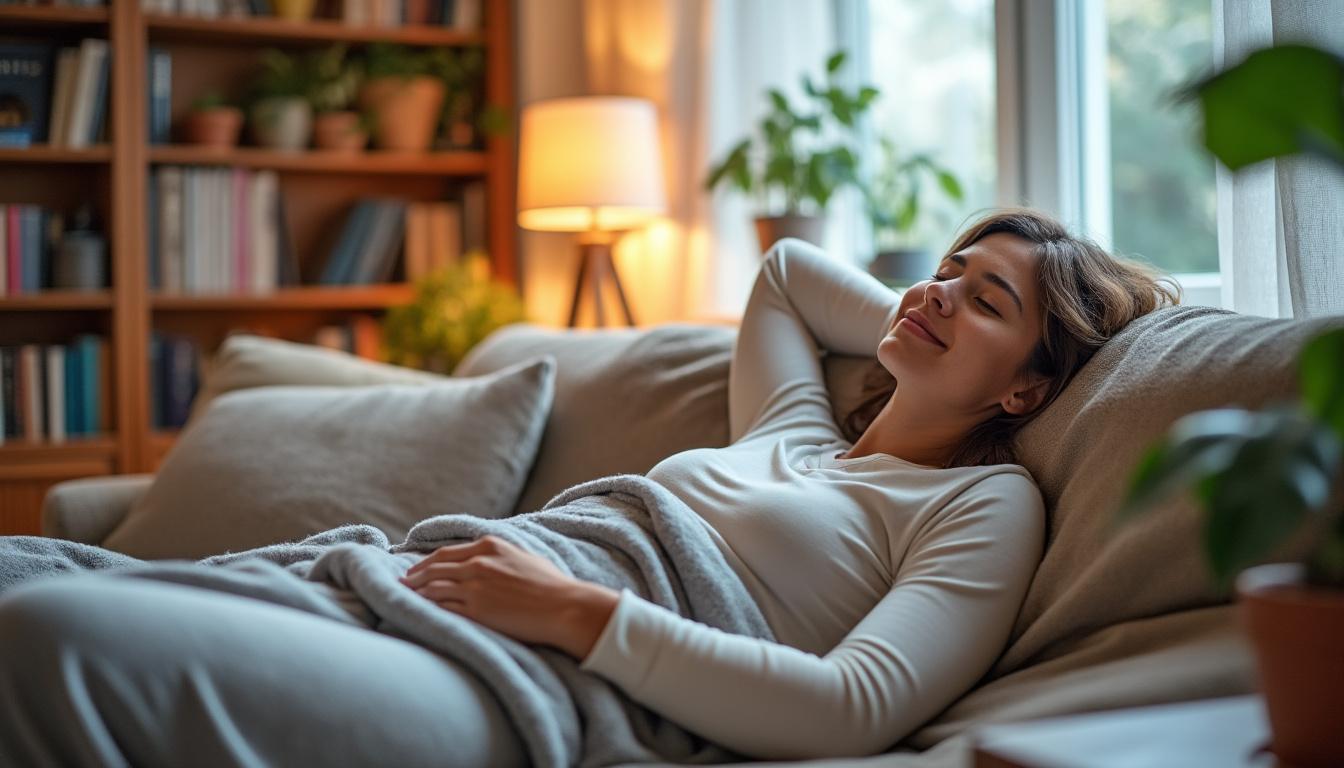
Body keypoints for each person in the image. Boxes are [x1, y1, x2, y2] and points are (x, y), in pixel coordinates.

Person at [0, 208, 1177, 766]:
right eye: (945, 269)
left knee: (53, 638)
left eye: (987, 298)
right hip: (419, 586)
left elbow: (854, 704)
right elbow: (782, 275)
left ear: (1029, 386)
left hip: (538, 677)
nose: (937, 290)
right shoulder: (796, 433)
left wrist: (578, 614)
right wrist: (930, 324)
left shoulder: (983, 504)